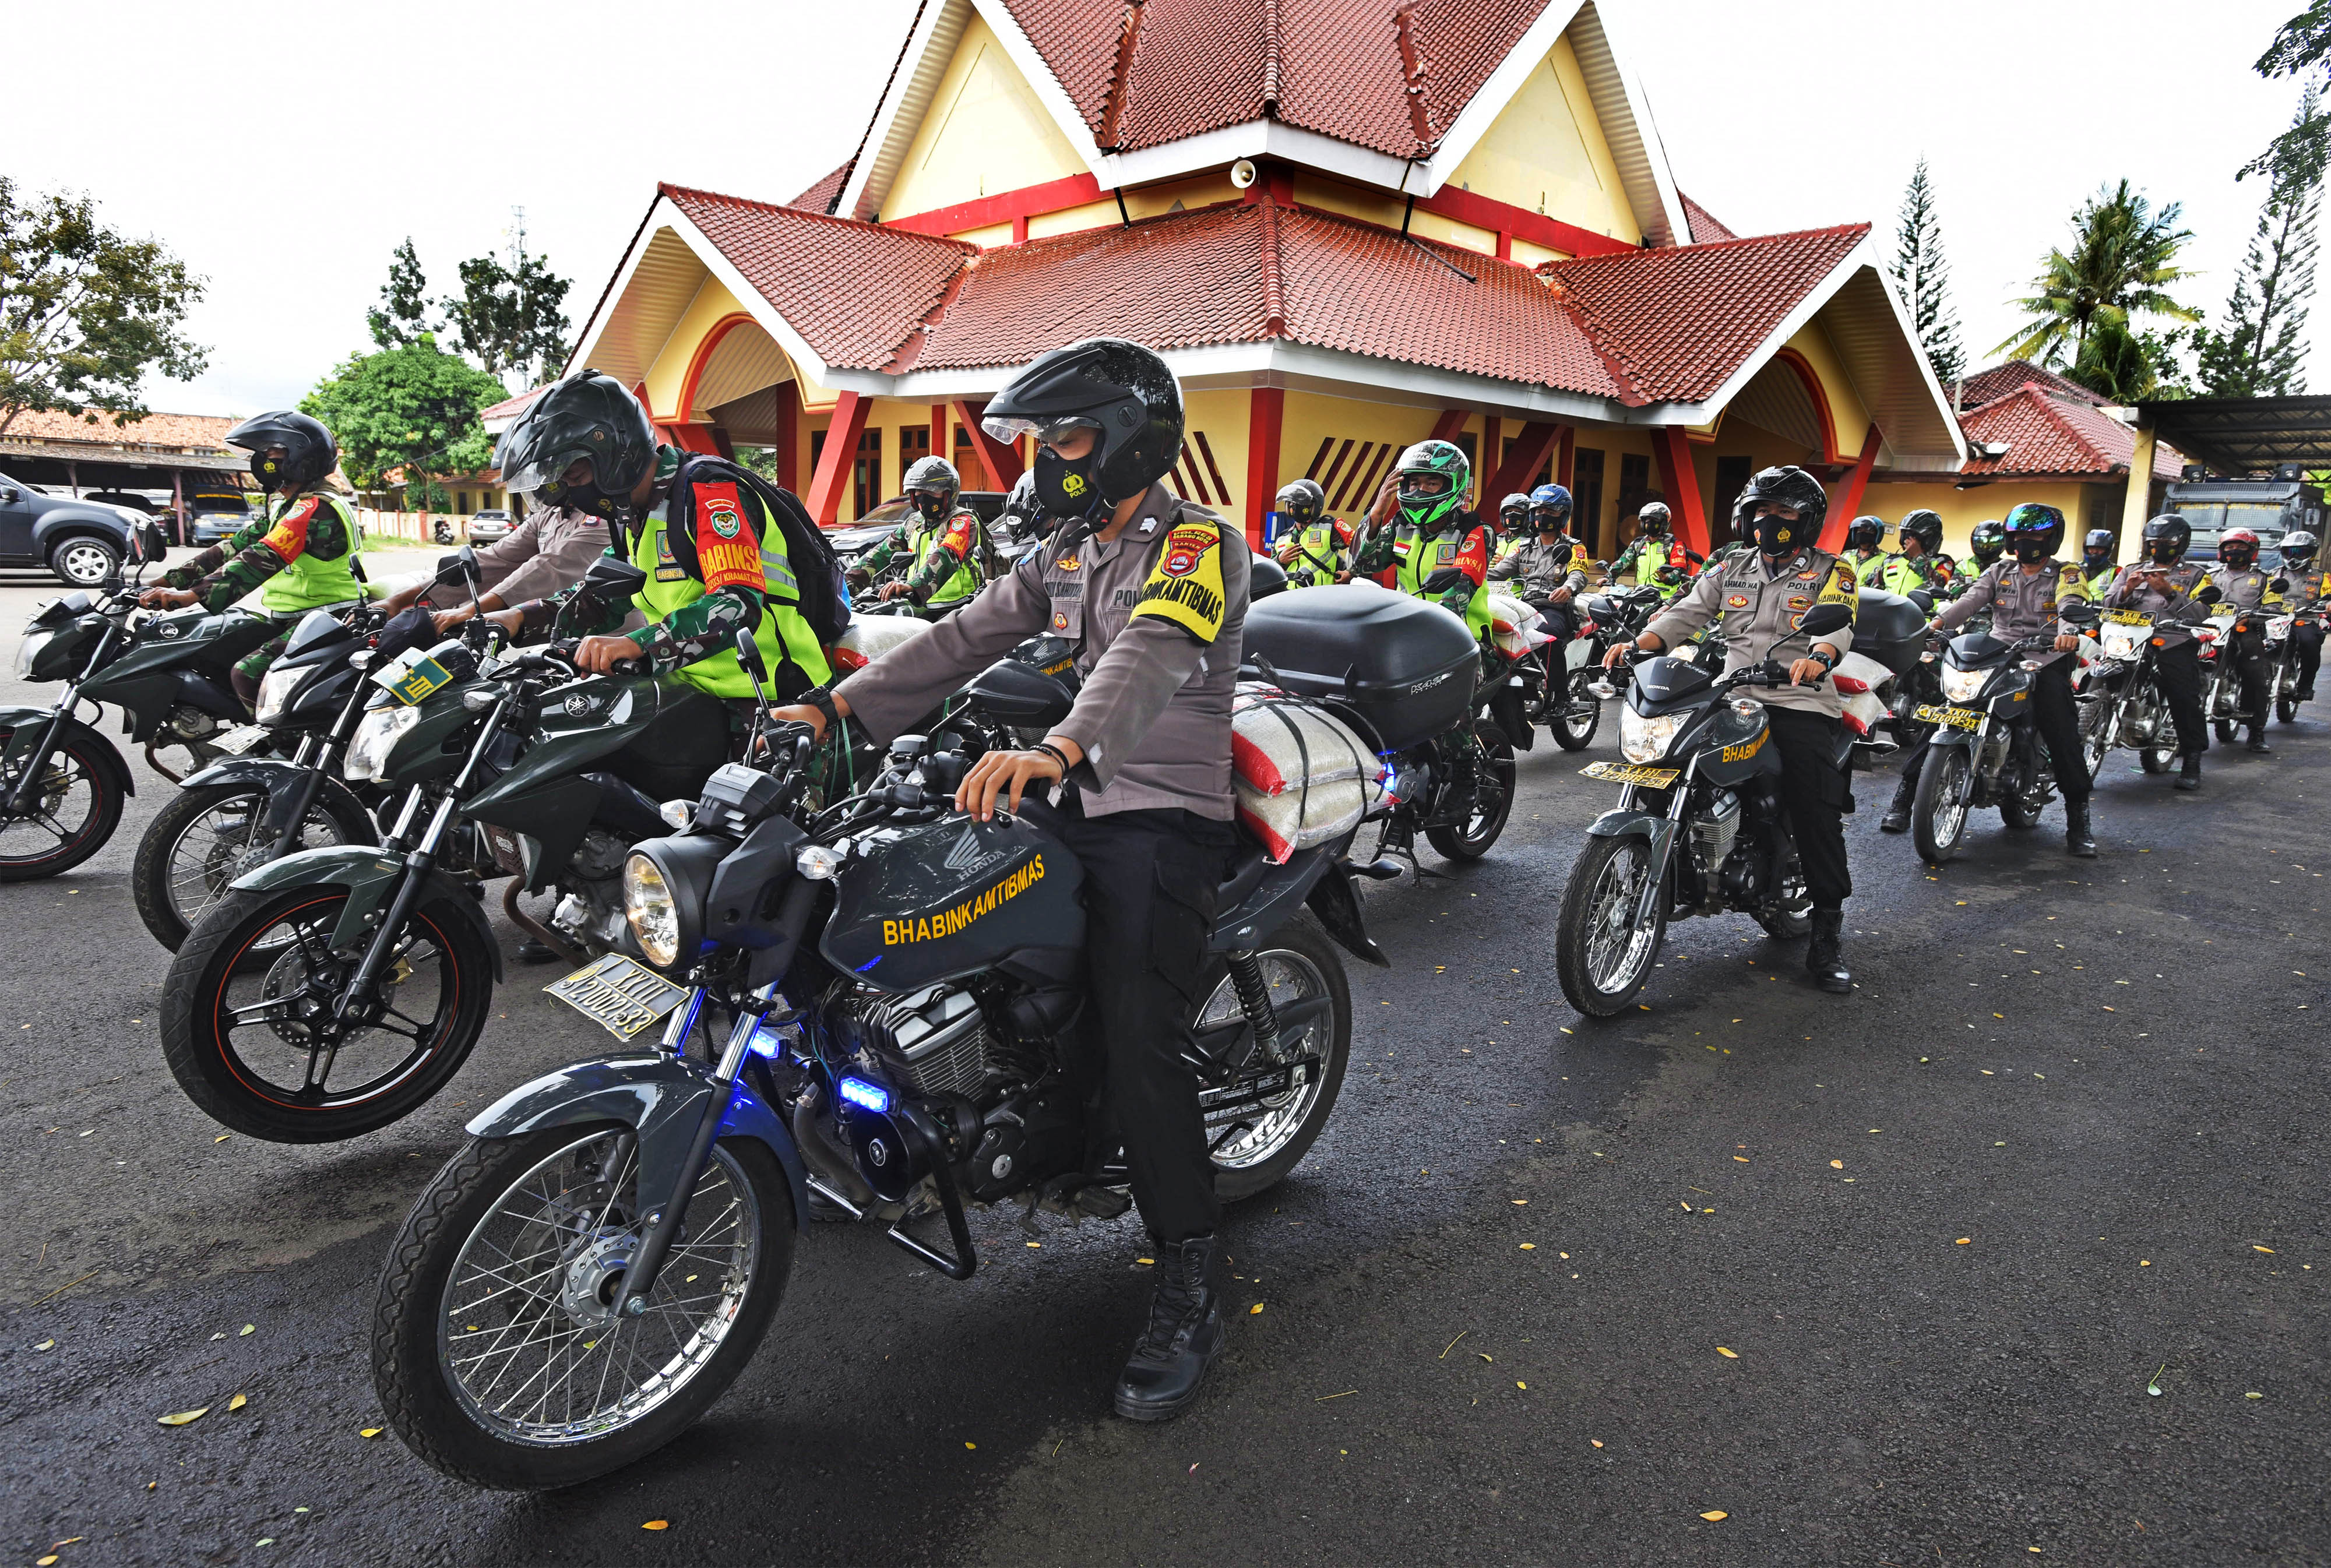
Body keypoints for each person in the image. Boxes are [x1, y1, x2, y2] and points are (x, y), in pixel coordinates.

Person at [769, 337, 1250, 1423]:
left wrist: (1066, 750)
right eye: (1038, 440)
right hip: (1064, 799)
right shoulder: (1070, 547)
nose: (1047, 460)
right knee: (901, 892)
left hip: (1155, 817)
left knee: (1141, 1037)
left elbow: (1149, 659)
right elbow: (962, 634)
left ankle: (1187, 1274)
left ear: (1130, 438)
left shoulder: (1199, 545)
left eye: (1066, 437)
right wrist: (840, 708)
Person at [1607, 465, 1862, 992]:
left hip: (1799, 697)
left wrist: (1819, 655)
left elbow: (1838, 621)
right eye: (1763, 512)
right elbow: (1686, 612)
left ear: (1807, 521)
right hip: (1732, 691)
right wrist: (1640, 645)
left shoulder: (1832, 570)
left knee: (1814, 804)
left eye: (1784, 513)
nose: (1771, 522)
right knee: (1670, 759)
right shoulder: (1731, 565)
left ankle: (1826, 934)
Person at [487, 368, 831, 699]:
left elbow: (737, 604)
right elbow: (601, 598)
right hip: (689, 690)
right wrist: (516, 618)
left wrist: (637, 644)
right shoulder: (632, 516)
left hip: (767, 695)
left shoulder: (710, 495)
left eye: (575, 478)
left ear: (616, 456)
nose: (569, 494)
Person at [138, 411, 366, 710]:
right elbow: (234, 547)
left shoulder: (314, 507)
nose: (263, 462)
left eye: (272, 454)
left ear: (300, 456)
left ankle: (273, 748)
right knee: (215, 647)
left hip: (328, 617)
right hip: (293, 617)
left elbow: (262, 557)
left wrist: (192, 595)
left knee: (246, 673)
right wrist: (160, 583)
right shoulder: (286, 505)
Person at [1914, 503, 2096, 855]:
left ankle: (2079, 819)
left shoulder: (2067, 572)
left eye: (2036, 536)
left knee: (2062, 732)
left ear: (2052, 540)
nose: (2028, 542)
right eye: (2021, 536)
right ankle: (1908, 795)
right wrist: (1933, 626)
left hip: (2044, 660)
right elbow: (1969, 602)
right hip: (1997, 658)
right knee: (1945, 711)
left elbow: (2071, 601)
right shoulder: (1999, 571)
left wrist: (2069, 632)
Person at [379, 499, 626, 636]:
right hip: (558, 633)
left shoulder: (604, 518)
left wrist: (471, 611)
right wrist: (399, 601)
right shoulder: (548, 515)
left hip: (613, 637)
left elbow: (549, 567)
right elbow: (493, 560)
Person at [2101, 513, 2214, 791]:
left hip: (2171, 639)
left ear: (2180, 543)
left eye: (2165, 542)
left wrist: (2170, 592)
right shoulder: (2130, 570)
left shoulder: (2198, 575)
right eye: (2153, 542)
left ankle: (2192, 760)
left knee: (2183, 694)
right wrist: (2128, 588)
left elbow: (2202, 612)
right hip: (2129, 637)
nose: (2158, 547)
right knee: (2096, 675)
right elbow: (2107, 604)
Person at [1349, 439, 1494, 637]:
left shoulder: (1474, 531)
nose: (1420, 491)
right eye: (1414, 484)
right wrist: (1375, 516)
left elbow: (1459, 594)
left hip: (1463, 639)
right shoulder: (1400, 526)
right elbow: (1359, 565)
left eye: (1431, 484)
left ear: (1454, 485)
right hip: (1408, 632)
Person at [848, 455, 986, 618]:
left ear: (949, 494)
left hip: (957, 607)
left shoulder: (963, 522)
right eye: (918, 491)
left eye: (930, 491)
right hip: (921, 602)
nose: (922, 496)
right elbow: (881, 553)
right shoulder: (914, 522)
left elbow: (947, 556)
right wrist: (844, 584)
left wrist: (913, 586)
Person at [2208, 527, 2284, 754]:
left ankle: (2256, 731)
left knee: (2256, 677)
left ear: (2252, 551)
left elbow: (2274, 607)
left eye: (2241, 547)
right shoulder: (2210, 576)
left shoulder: (2264, 578)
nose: (2234, 552)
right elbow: (2193, 601)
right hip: (2211, 631)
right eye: (2229, 547)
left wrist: (2250, 617)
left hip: (2245, 632)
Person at [1488, 484, 1587, 644]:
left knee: (1547, 633)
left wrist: (1568, 588)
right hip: (1522, 605)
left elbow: (1578, 574)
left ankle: (1553, 671)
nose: (1543, 516)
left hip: (1553, 608)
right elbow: (1498, 573)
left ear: (1563, 515)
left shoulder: (1574, 547)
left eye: (1550, 512)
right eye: (1539, 511)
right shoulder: (1524, 548)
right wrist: (1467, 575)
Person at [1611, 501, 1703, 599]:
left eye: (1653, 522)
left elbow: (1679, 571)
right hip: (1641, 596)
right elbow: (1623, 562)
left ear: (1663, 523)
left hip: (1666, 599)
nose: (1648, 524)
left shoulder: (1674, 544)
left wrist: (1667, 578)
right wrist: (1608, 576)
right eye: (1646, 521)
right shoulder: (1638, 544)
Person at [1273, 478, 1352, 587]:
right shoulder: (1283, 537)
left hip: (1320, 598)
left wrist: (1351, 573)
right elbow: (1271, 571)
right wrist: (1279, 560)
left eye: (1300, 503)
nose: (1293, 506)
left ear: (1314, 505)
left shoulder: (1330, 528)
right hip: (1289, 599)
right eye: (1291, 502)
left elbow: (1362, 545)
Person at [2278, 529, 2324, 700]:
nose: (2293, 557)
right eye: (2290, 552)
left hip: (2304, 620)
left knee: (2310, 642)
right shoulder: (2273, 575)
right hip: (2275, 620)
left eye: (2300, 552)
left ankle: (2306, 685)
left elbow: (2329, 597)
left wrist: (2328, 605)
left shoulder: (2322, 577)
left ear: (2311, 554)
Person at [1879, 510, 1943, 597]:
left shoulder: (1942, 562)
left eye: (1913, 535)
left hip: (1919, 610)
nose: (1907, 538)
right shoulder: (1890, 561)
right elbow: (1876, 590)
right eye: (1905, 533)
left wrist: (1917, 556)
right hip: (1888, 609)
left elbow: (1938, 584)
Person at [1844, 515, 1890, 587]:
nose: (1862, 533)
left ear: (1877, 535)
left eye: (1867, 531)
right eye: (1860, 530)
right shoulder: (1846, 556)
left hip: (1867, 597)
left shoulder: (1885, 560)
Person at [2076, 528, 2119, 596]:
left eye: (2100, 549)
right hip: (2075, 606)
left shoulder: (2117, 571)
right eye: (2092, 548)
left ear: (2108, 550)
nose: (2095, 552)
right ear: (2086, 548)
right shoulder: (2074, 568)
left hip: (2101, 606)